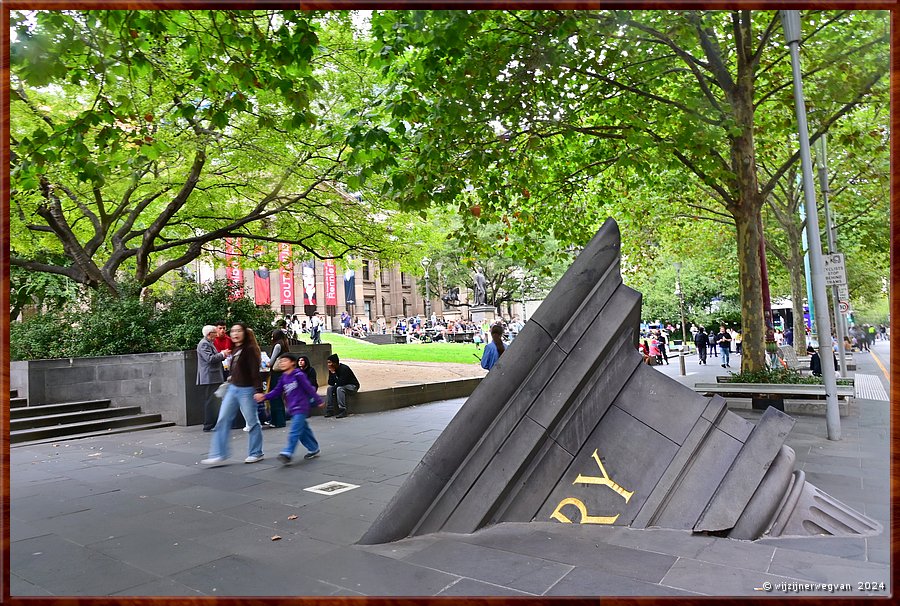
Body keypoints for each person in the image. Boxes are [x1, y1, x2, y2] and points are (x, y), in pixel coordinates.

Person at [202, 323, 265, 465]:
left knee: (252, 421)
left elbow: (255, 372)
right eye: (233, 331)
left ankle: (256, 452)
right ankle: (219, 453)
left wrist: (258, 390)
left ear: (245, 333)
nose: (235, 333)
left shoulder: (250, 350)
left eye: (239, 331)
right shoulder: (236, 348)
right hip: (233, 388)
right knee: (223, 419)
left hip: (246, 390)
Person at [255, 353, 324, 464]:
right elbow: (277, 391)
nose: (282, 363)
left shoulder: (298, 375)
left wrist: (318, 400)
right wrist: (264, 396)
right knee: (303, 430)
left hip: (301, 407)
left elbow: (309, 388)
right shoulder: (283, 378)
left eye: (285, 361)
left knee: (295, 430)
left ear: (292, 363)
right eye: (281, 361)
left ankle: (288, 452)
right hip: (292, 408)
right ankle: (313, 448)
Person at [196, 325, 230, 432]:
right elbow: (210, 359)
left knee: (214, 401)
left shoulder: (209, 343)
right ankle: (209, 424)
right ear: (209, 334)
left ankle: (213, 423)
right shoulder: (204, 344)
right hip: (209, 377)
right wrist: (222, 354)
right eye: (215, 332)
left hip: (213, 376)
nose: (217, 334)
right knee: (211, 401)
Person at [265, 329, 291, 428]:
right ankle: (277, 419)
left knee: (274, 396)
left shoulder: (277, 346)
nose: (272, 338)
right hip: (282, 373)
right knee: (278, 397)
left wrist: (266, 362)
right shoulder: (284, 344)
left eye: (272, 336)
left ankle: (277, 421)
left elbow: (271, 362)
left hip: (276, 374)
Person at [325, 353, 360, 418]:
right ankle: (330, 409)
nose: (328, 364)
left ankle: (343, 410)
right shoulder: (332, 369)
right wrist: (332, 373)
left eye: (329, 362)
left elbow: (341, 383)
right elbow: (331, 383)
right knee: (329, 388)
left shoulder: (344, 368)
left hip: (352, 386)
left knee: (339, 389)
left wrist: (334, 373)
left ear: (334, 363)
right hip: (342, 386)